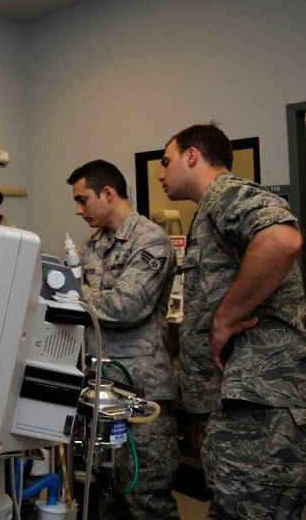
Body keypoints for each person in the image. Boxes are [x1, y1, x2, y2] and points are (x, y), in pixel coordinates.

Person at [159, 122, 306, 519]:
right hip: (238, 404)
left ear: (192, 156)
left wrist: (224, 320)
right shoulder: (210, 210)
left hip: (260, 406)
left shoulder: (229, 193)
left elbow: (282, 240)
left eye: (166, 161)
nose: (160, 174)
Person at [66, 159, 180, 520]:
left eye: (83, 199)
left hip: (142, 391)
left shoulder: (151, 241)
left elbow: (127, 306)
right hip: (100, 387)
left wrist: (77, 296)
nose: (78, 209)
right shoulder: (90, 245)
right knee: (105, 496)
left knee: (146, 497)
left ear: (109, 193)